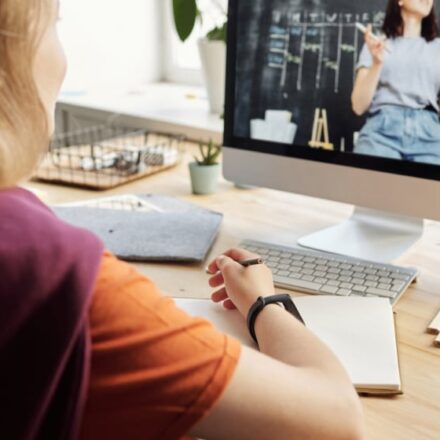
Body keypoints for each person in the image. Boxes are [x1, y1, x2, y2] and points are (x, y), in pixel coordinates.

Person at [0, 1, 365, 439]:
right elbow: (337, 420)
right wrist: (263, 304)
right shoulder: (61, 277)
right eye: (54, 26)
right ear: (12, 57)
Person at [352, 0, 440, 164]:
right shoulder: (377, 44)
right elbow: (358, 105)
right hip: (381, 132)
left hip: (431, 135)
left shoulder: (438, 48)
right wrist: (377, 63)